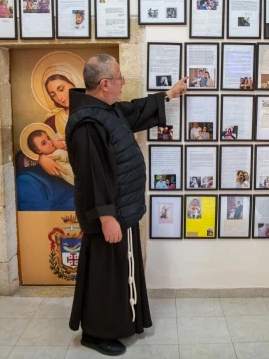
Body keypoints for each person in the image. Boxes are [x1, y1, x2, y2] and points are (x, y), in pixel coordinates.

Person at [66, 54, 187, 356]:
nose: (123, 83)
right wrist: (107, 217)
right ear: (105, 84)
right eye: (119, 78)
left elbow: (134, 111)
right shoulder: (88, 124)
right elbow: (94, 175)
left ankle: (120, 323)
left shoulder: (107, 111)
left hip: (122, 210)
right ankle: (96, 333)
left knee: (119, 272)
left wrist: (169, 95)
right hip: (110, 214)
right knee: (106, 276)